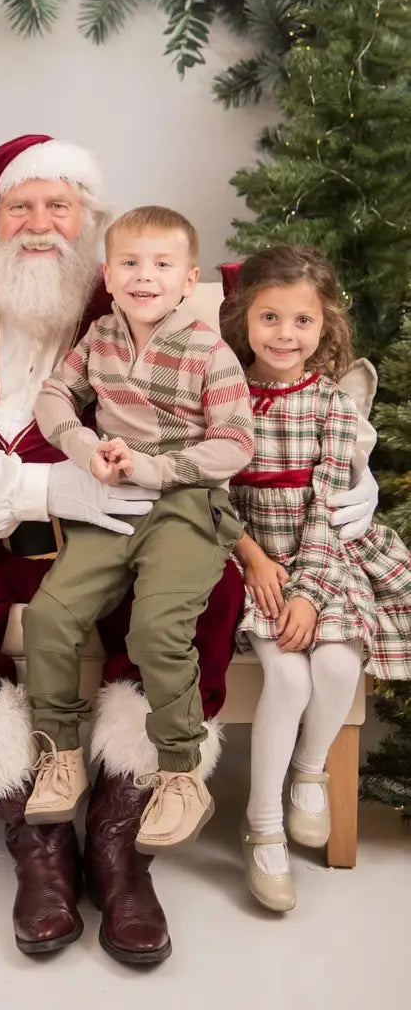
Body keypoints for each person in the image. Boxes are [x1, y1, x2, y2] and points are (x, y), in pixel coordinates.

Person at [0, 135, 379, 965]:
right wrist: (49, 489)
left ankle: (120, 836)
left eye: (59, 206)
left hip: (129, 521)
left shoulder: (147, 289)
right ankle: (34, 836)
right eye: (19, 207)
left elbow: (282, 359)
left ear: (91, 227)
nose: (40, 225)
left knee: (205, 589)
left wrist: (359, 478)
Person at [23, 206, 253, 853]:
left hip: (184, 503)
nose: (143, 276)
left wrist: (155, 467)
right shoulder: (98, 336)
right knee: (49, 618)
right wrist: (82, 446)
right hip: (112, 500)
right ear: (108, 273)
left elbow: (235, 443)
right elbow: (51, 396)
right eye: (129, 263)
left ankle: (180, 773)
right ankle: (59, 751)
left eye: (160, 264)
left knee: (154, 629)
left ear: (187, 279)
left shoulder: (209, 349)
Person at [219, 244, 411, 913]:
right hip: (252, 558)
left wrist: (307, 588)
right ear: (243, 318)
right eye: (269, 318)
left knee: (333, 667)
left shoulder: (331, 404)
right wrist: (253, 559)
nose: (283, 335)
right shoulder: (225, 396)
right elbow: (207, 494)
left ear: (323, 327)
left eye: (300, 322)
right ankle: (262, 828)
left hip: (324, 553)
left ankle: (309, 772)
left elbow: (330, 508)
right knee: (286, 673)